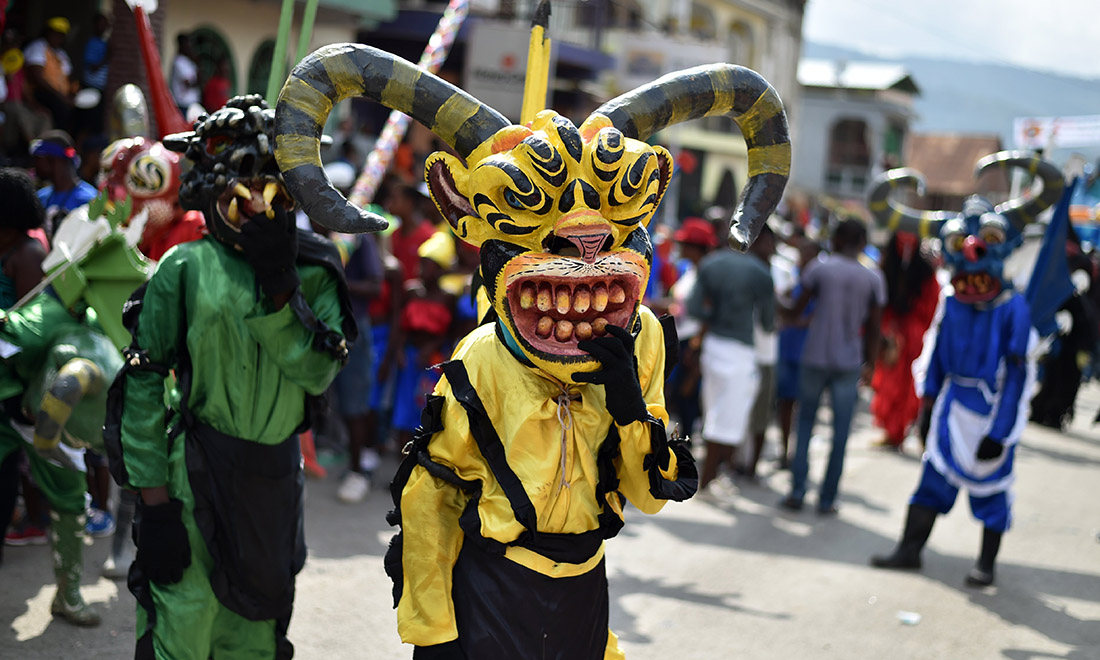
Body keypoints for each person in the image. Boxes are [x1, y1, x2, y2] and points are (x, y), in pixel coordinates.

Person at [110, 95, 355, 658]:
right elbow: (143, 388)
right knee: (184, 632)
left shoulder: (315, 273)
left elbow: (317, 374)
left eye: (273, 185)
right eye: (241, 185)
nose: (256, 201)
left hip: (272, 486)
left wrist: (279, 284)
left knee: (254, 641)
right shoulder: (185, 268)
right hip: (192, 480)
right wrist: (155, 506)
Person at [0, 167, 106, 625]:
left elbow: (39, 329)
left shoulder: (26, 252)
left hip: (32, 402)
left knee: (66, 492)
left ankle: (69, 594)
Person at [780, 219, 884, 515]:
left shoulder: (819, 269)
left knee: (805, 424)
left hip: (814, 356)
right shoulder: (873, 278)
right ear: (863, 243)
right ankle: (827, 499)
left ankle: (797, 491)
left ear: (836, 240)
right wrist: (871, 365)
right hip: (849, 361)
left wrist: (776, 300)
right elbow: (875, 328)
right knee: (840, 434)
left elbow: (796, 308)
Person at [688, 221, 776, 499]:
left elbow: (692, 307)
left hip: (714, 344)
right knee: (729, 421)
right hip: (740, 350)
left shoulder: (711, 264)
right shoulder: (761, 273)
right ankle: (708, 482)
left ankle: (710, 479)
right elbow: (768, 322)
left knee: (714, 414)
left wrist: (713, 319)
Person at [869, 231, 940, 448]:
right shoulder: (886, 270)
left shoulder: (926, 275)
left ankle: (898, 430)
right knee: (890, 381)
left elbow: (929, 308)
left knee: (906, 384)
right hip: (893, 333)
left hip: (909, 336)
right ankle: (892, 430)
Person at [663, 217, 717, 441]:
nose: (680, 247)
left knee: (687, 397)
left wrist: (696, 347)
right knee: (679, 396)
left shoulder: (707, 274)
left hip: (693, 342)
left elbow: (709, 311)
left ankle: (686, 447)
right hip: (683, 339)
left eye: (685, 243)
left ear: (695, 248)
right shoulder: (692, 271)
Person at [774, 234, 820, 469]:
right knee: (785, 403)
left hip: (807, 351)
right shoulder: (796, 281)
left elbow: (809, 316)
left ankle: (800, 454)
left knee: (802, 406)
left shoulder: (818, 284)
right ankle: (785, 452)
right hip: (788, 347)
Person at [743, 226, 779, 480]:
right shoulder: (746, 270)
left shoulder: (778, 272)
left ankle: (752, 465)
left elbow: (771, 320)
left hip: (764, 352)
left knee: (759, 413)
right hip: (745, 350)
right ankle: (738, 462)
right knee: (742, 410)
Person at [31, 129, 97, 233]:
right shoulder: (40, 198)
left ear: (52, 160)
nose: (34, 165)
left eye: (37, 159)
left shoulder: (89, 200)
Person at [24, 17, 74, 132]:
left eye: (61, 35)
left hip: (59, 94)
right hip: (41, 92)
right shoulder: (38, 47)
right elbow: (37, 77)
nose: (57, 37)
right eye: (55, 33)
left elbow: (67, 76)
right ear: (47, 32)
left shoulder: (61, 54)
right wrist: (60, 97)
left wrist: (71, 93)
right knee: (61, 109)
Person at [169, 34, 199, 115]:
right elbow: (189, 83)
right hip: (182, 104)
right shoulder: (178, 62)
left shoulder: (188, 61)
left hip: (191, 103)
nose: (190, 47)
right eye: (188, 44)